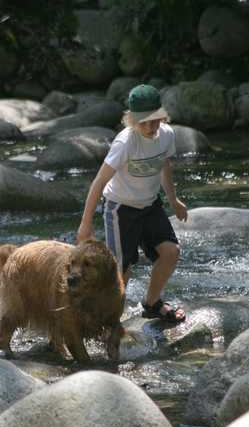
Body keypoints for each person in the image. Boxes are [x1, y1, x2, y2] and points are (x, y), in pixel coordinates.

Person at [76, 83, 188, 323]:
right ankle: (108, 320)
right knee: (120, 270)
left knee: (171, 252)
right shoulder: (125, 142)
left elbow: (164, 165)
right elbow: (99, 181)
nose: (150, 127)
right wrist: (86, 223)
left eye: (155, 120)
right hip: (121, 209)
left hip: (150, 205)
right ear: (132, 120)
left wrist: (173, 199)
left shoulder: (166, 135)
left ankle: (152, 304)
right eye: (144, 122)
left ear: (162, 116)